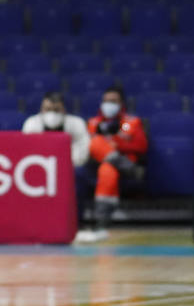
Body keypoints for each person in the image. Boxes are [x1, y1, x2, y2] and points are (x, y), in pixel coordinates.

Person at [84, 85, 148, 239]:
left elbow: (141, 146)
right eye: (106, 101)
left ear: (121, 104)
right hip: (98, 162)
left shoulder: (130, 122)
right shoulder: (93, 123)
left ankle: (102, 221)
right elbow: (87, 147)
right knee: (96, 144)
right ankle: (131, 169)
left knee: (107, 169)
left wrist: (118, 145)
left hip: (121, 160)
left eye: (113, 101)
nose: (109, 104)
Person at [22, 91, 90, 223]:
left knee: (80, 173)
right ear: (41, 109)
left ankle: (76, 221)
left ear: (63, 109)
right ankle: (35, 220)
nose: (51, 113)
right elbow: (27, 152)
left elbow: (83, 151)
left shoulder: (77, 123)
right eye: (47, 109)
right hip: (39, 167)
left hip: (70, 167)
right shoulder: (31, 123)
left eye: (56, 109)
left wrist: (63, 166)